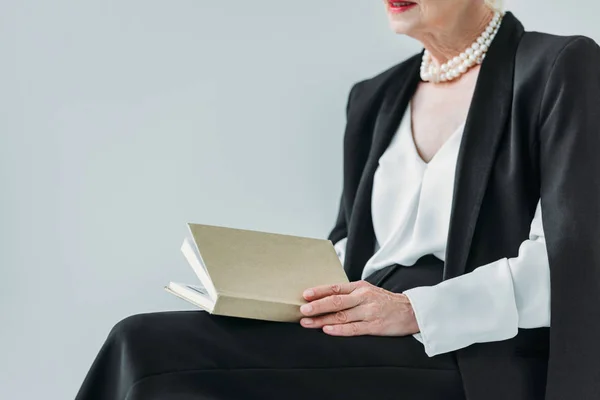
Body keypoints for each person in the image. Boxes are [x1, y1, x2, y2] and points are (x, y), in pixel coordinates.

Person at [75, 1, 600, 399]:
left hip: (468, 350)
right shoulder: (375, 97)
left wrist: (414, 310)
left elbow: (574, 263)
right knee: (152, 342)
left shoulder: (558, 66)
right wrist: (272, 289)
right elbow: (352, 244)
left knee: (145, 348)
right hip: (362, 321)